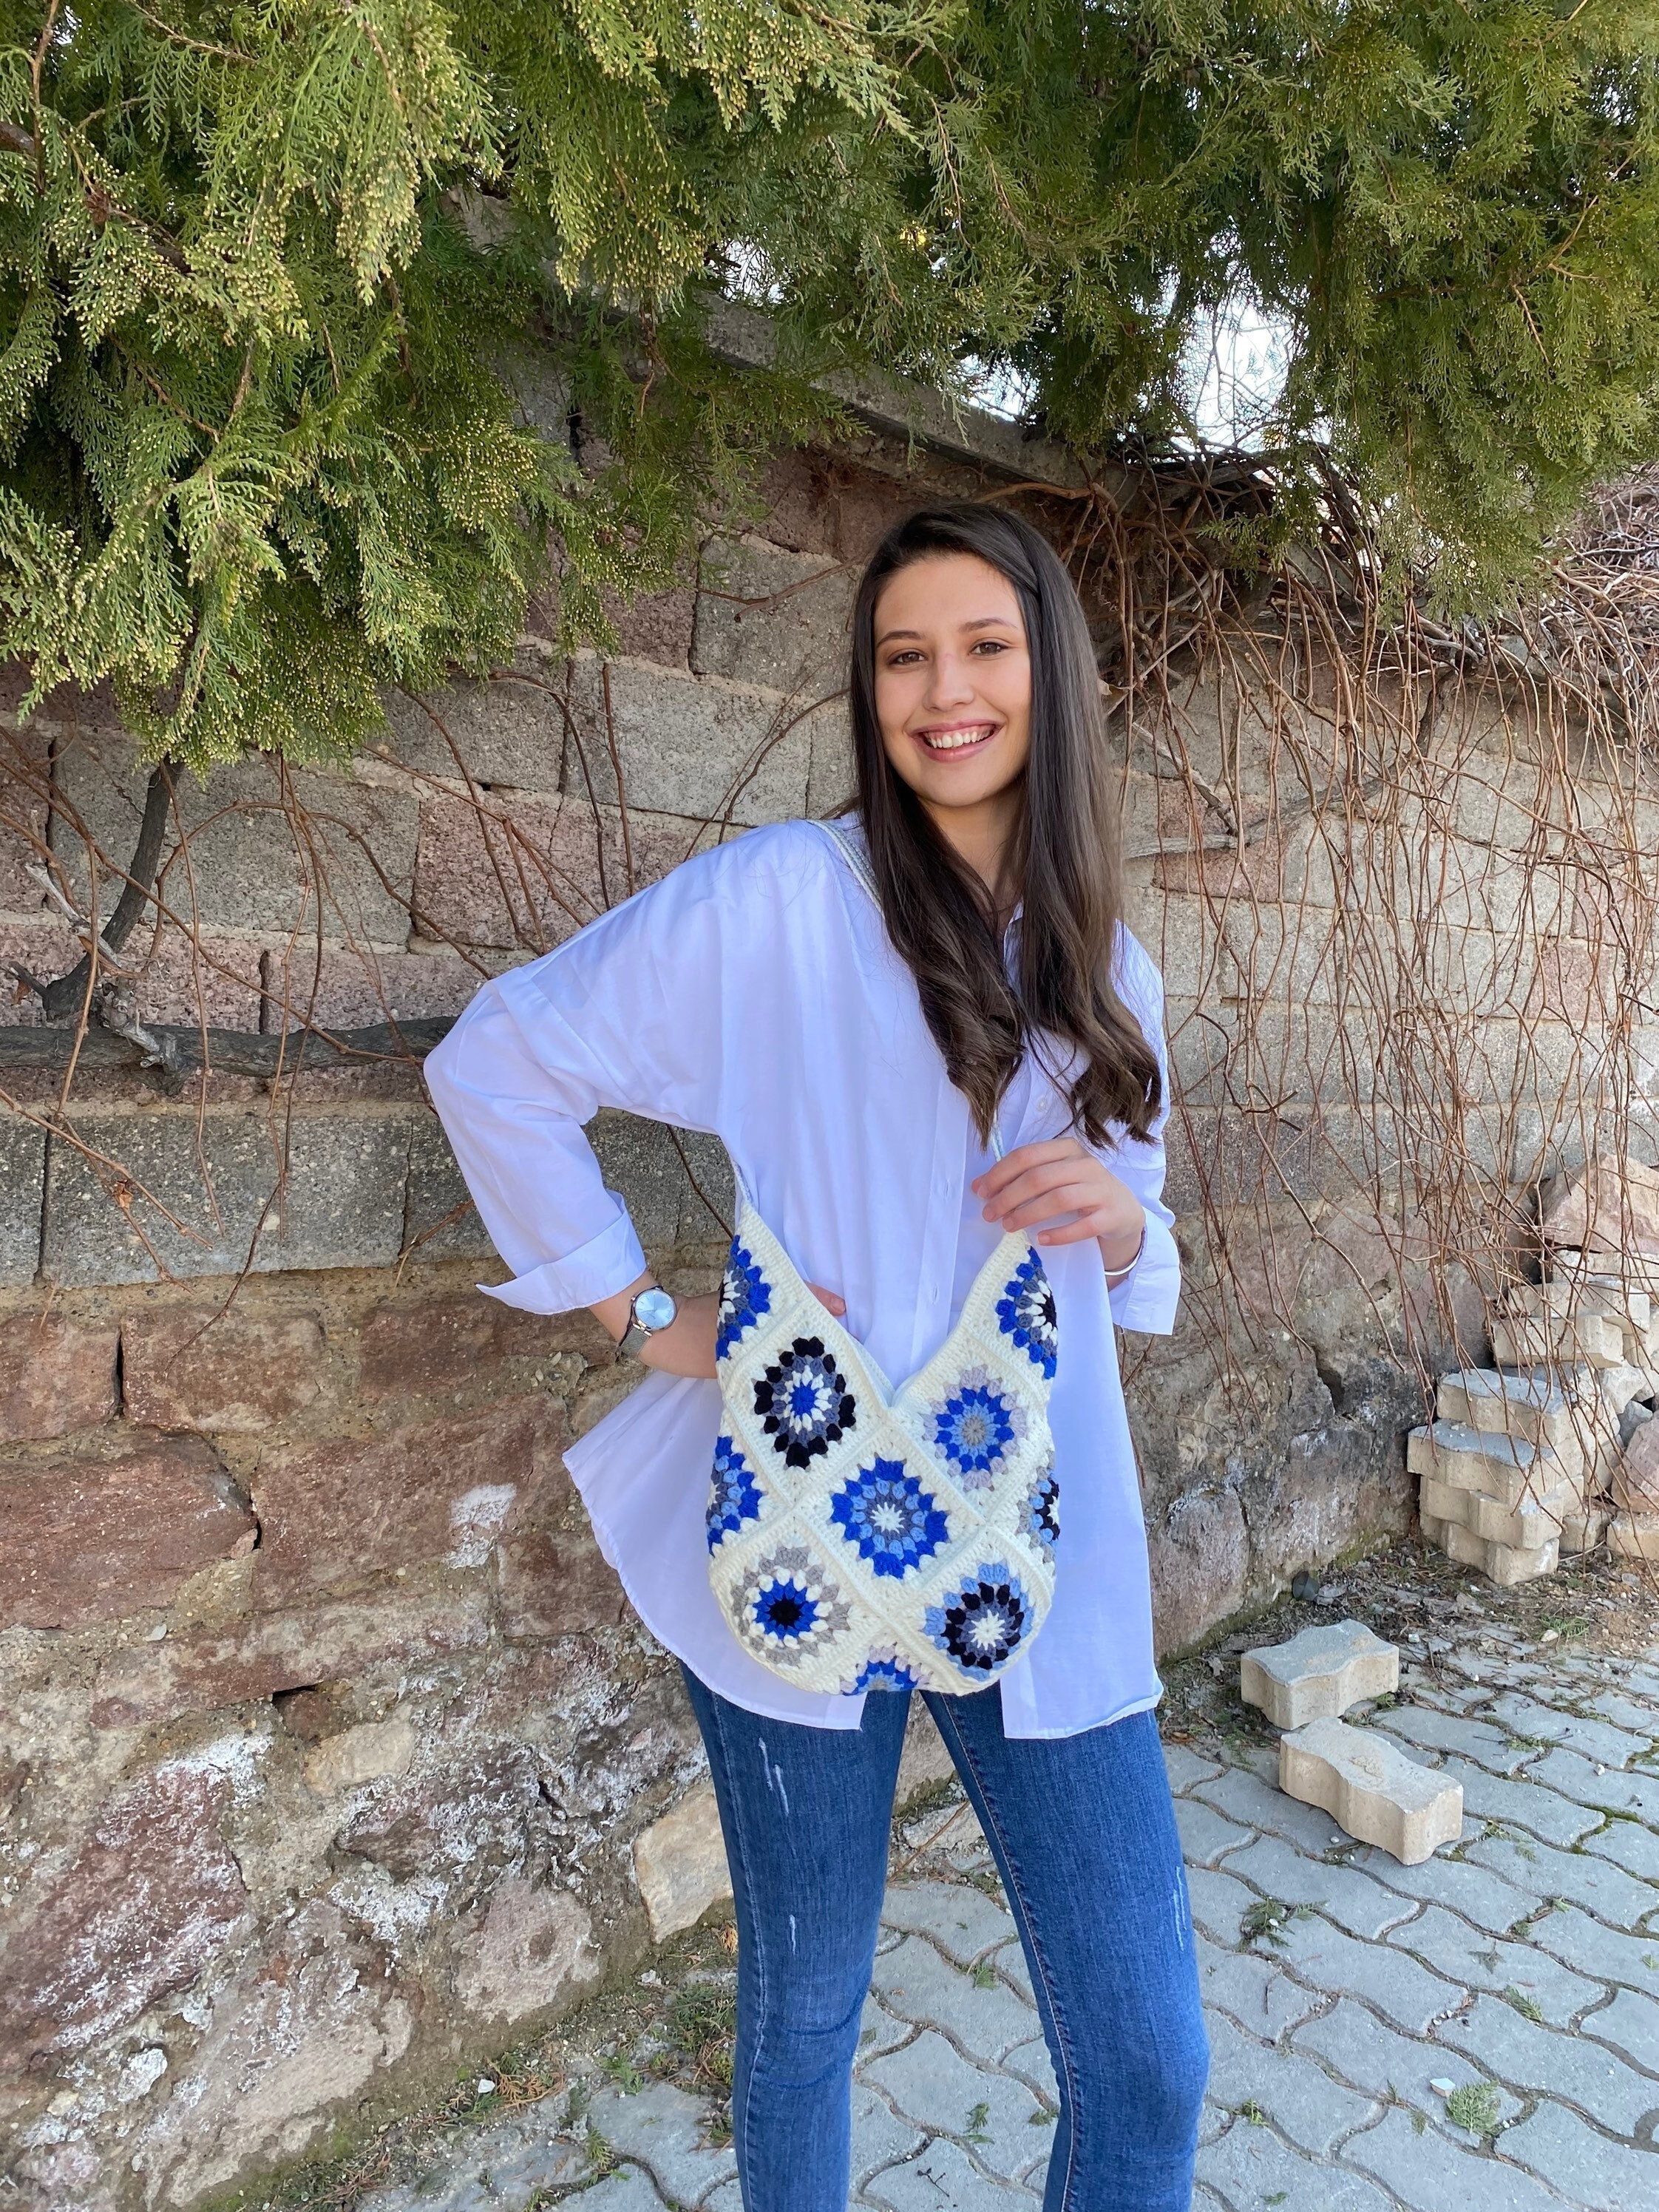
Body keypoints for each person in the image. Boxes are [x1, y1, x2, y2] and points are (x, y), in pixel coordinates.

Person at [425, 503, 1210, 2211]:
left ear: (1050, 675)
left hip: (1039, 1534)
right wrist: (642, 1318)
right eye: (903, 654)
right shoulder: (785, 901)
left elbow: (1134, 1228)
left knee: (1150, 2063)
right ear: (869, 686)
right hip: (800, 1504)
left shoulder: (1107, 961)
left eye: (985, 647)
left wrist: (1124, 1219)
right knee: (804, 2017)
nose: (945, 691)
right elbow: (500, 1060)